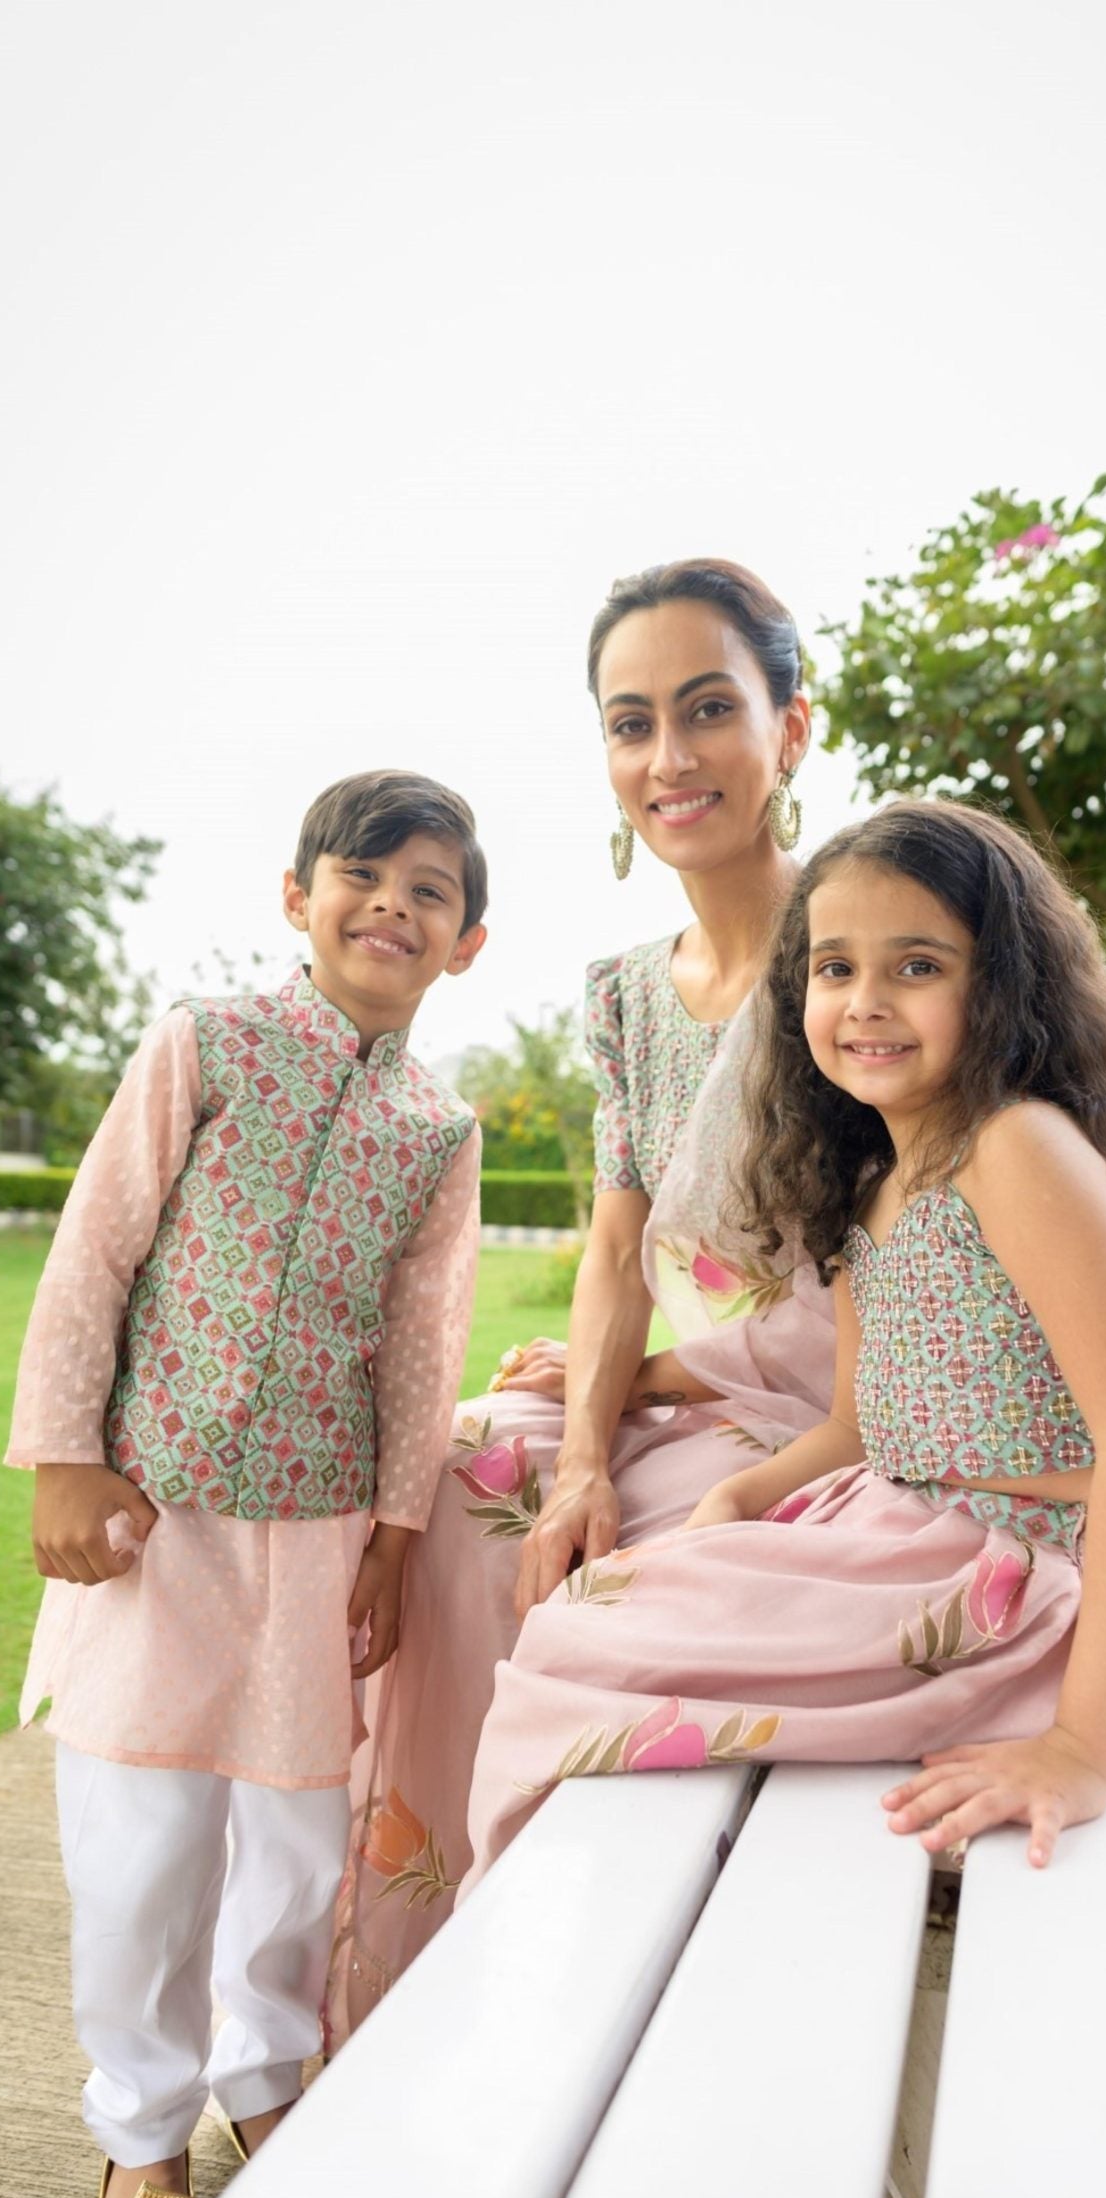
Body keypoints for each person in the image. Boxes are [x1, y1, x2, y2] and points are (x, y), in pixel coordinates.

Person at [460, 801, 1106, 1885]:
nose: (866, 1003)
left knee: (584, 1654)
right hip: (898, 1515)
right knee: (592, 1623)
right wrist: (737, 1507)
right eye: (835, 969)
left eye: (919, 966)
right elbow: (857, 1426)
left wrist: (1086, 1748)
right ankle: (587, 1931)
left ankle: (602, 1942)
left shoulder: (1017, 1147)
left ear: (1001, 984)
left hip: (1026, 1558)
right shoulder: (872, 1182)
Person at [326, 562, 837, 2039]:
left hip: (840, 1420)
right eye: (630, 724)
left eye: (706, 711)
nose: (667, 760)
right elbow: (615, 1257)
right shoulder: (619, 994)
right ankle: (417, 1993)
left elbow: (889, 1261)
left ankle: (673, 2016)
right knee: (469, 1472)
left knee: (626, 1576)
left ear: (788, 728)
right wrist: (580, 1457)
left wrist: (663, 1389)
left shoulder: (859, 951)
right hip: (689, 1393)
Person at [7, 770, 488, 2198]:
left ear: (467, 942)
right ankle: (140, 2131)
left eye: (430, 891)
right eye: (364, 875)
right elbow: (96, 1253)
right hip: (156, 1522)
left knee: (291, 1843)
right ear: (298, 897)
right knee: (144, 1850)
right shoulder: (204, 1045)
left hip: (321, 1530)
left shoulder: (436, 1125)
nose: (391, 907)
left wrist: (398, 1537)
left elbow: (424, 1346)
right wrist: (60, 1460)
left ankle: (265, 2080)